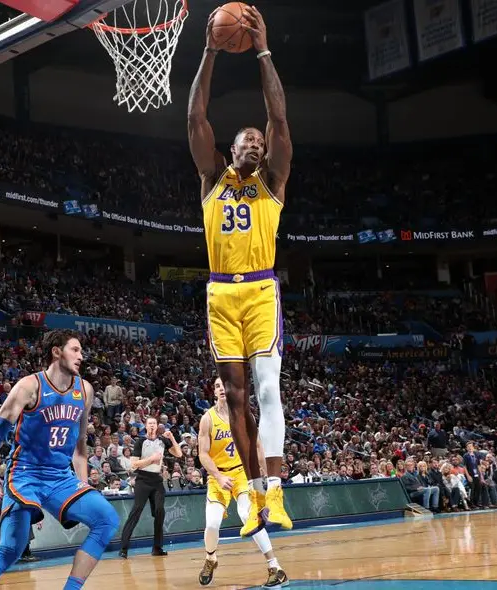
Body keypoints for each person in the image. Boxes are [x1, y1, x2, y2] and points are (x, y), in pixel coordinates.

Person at [187, 4, 293, 538]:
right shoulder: (212, 179)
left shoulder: (273, 181)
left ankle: (274, 492)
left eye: (259, 140)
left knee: (268, 390)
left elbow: (278, 119)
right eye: (245, 140)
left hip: (261, 289)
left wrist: (263, 50)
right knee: (234, 399)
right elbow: (194, 118)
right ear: (230, 151)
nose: (255, 142)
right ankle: (254, 497)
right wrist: (208, 50)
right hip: (220, 297)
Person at [0, 330, 119, 590]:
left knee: (107, 519)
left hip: (61, 476)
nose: (81, 356)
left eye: (81, 351)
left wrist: (82, 483)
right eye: (75, 350)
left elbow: (80, 443)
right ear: (56, 351)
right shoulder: (29, 386)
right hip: (25, 474)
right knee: (11, 548)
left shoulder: (85, 389)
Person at [197, 377, 287, 587]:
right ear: (214, 391)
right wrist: (219, 476)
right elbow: (202, 454)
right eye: (217, 386)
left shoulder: (245, 417)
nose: (221, 389)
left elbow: (257, 447)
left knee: (248, 515)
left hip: (242, 475)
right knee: (212, 524)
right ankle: (211, 558)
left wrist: (267, 476)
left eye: (224, 385)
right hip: (217, 476)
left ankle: (276, 567)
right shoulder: (207, 419)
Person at [118, 416, 183, 558]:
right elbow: (134, 464)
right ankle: (123, 548)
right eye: (150, 423)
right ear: (146, 426)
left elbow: (178, 453)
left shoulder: (162, 441)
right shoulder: (141, 442)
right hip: (142, 479)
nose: (152, 425)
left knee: (160, 511)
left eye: (154, 423)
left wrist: (171, 437)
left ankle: (157, 548)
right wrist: (151, 459)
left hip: (156, 480)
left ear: (157, 426)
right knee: (136, 511)